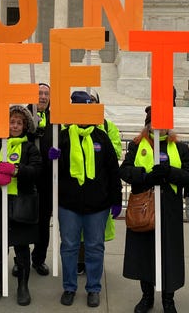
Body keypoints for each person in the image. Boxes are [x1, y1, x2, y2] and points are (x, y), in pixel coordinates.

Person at [119, 106, 189, 313]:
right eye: (153, 121)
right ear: (148, 124)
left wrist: (170, 172)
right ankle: (147, 297)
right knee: (144, 252)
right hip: (144, 206)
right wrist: (145, 175)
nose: (157, 126)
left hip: (169, 209)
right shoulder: (136, 146)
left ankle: (168, 300)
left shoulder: (179, 147)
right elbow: (124, 170)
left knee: (169, 254)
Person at [53, 90, 122, 308]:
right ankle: (69, 287)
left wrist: (116, 199)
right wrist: (53, 158)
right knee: (70, 246)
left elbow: (112, 170)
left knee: (94, 247)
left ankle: (93, 288)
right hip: (69, 204)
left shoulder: (101, 137)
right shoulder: (62, 137)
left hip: (97, 205)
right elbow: (57, 173)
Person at [0, 105, 42, 306]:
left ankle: (23, 287)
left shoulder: (29, 147)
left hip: (21, 205)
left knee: (21, 249)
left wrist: (17, 170)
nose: (14, 125)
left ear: (24, 126)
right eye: (11, 121)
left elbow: (36, 171)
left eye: (18, 122)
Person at [77, 88, 122, 274]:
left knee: (95, 234)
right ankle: (80, 262)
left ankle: (93, 263)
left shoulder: (106, 126)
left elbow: (116, 152)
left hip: (100, 186)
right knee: (77, 232)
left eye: (93, 100)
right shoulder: (71, 126)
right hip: (78, 187)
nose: (90, 104)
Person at [13, 82, 52, 277]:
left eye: (46, 93)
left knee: (43, 222)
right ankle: (20, 260)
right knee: (22, 220)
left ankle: (39, 259)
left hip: (47, 181)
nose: (43, 97)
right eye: (39, 93)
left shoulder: (56, 118)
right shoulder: (22, 116)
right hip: (25, 178)